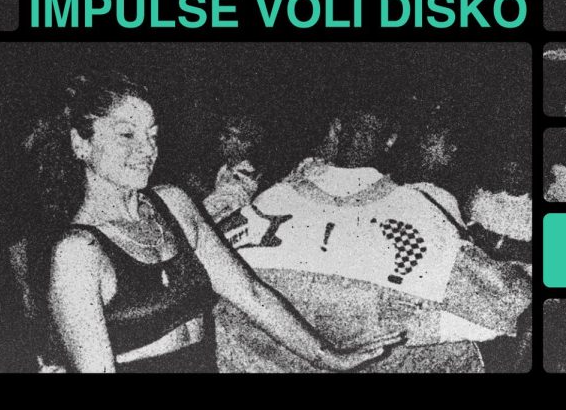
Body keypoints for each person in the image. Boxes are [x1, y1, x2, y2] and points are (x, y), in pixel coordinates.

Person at [41, 72, 403, 373]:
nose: (147, 149)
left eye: (152, 134)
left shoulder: (173, 204)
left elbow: (252, 294)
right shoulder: (78, 253)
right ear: (81, 143)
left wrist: (329, 357)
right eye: (126, 135)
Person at [216, 108, 530, 372]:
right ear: (391, 140)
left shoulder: (269, 200)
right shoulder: (419, 210)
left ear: (336, 130)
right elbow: (505, 308)